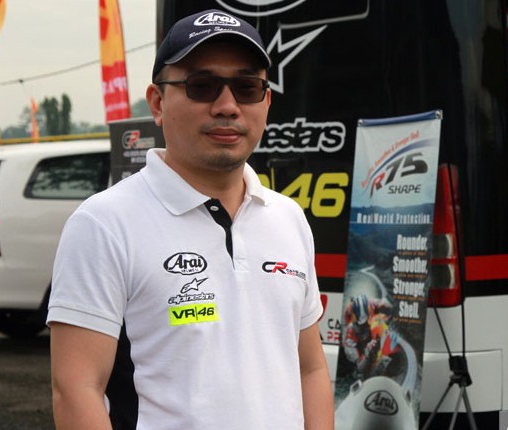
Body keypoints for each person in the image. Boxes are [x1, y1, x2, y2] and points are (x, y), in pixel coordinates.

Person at [47, 9, 334, 430]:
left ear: (267, 101)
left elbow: (310, 368)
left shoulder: (288, 218)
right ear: (158, 103)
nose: (227, 106)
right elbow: (76, 389)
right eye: (201, 86)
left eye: (247, 87)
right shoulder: (104, 224)